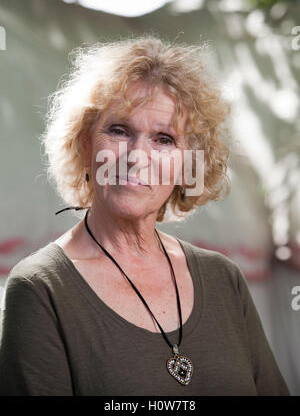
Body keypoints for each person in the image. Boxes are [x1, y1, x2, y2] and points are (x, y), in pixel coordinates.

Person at [0, 35, 290, 396]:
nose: (137, 156)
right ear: (85, 143)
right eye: (119, 130)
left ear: (188, 162)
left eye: (164, 139)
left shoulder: (223, 278)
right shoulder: (41, 287)